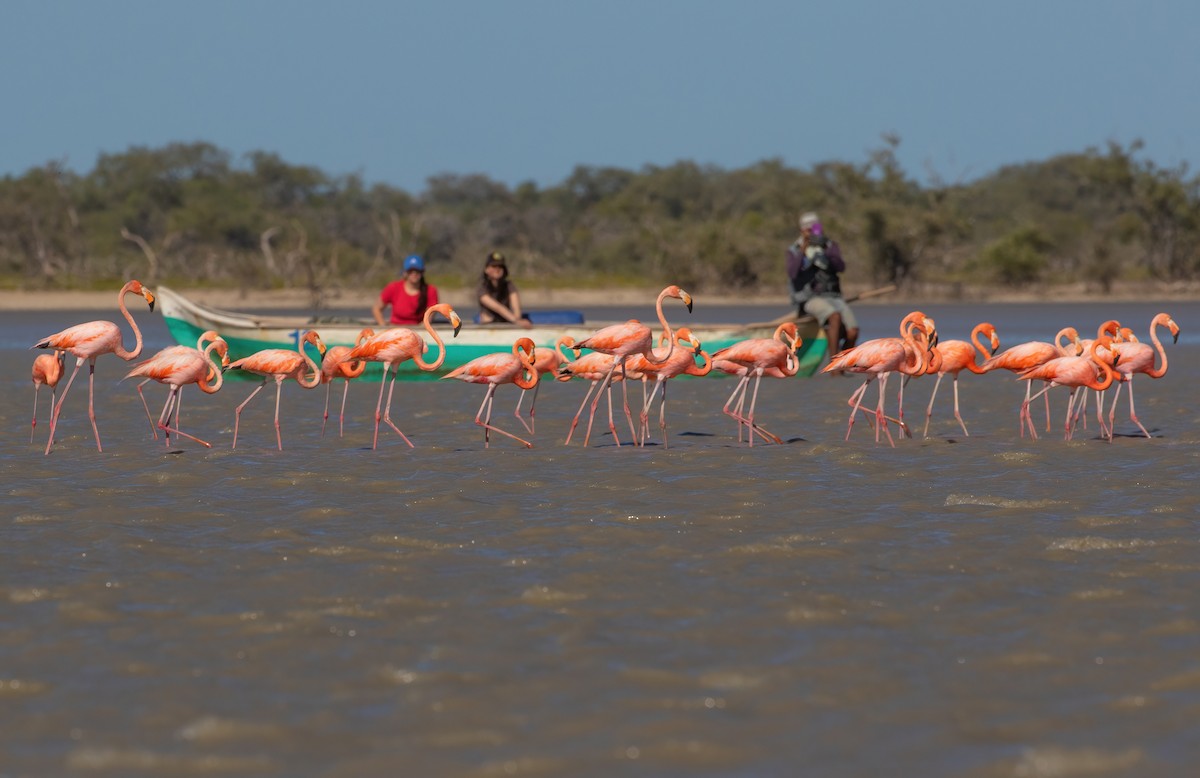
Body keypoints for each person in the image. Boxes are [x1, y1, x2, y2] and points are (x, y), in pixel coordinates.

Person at [787, 212, 859, 360]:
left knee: (853, 331)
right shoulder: (794, 250)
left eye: (814, 228)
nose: (811, 232)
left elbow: (840, 267)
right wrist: (804, 248)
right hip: (809, 298)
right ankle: (834, 368)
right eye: (808, 229)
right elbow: (793, 273)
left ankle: (842, 362)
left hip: (833, 296)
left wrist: (826, 250)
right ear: (802, 230)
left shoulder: (829, 245)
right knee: (834, 316)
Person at [374, 254, 439, 326]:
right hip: (395, 329)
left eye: (417, 271)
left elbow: (431, 313)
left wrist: (423, 327)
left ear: (422, 272)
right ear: (404, 272)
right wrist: (383, 325)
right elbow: (377, 308)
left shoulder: (430, 290)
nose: (414, 273)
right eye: (410, 271)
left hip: (418, 330)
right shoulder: (393, 287)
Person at [476, 251, 532, 328]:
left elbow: (516, 309)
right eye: (494, 266)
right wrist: (516, 321)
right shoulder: (482, 288)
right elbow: (498, 308)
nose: (497, 269)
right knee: (486, 318)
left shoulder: (509, 285)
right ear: (487, 269)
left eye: (500, 266)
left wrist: (518, 320)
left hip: (506, 322)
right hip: (489, 324)